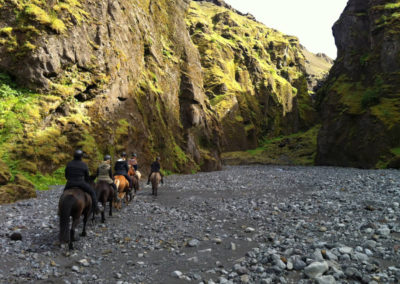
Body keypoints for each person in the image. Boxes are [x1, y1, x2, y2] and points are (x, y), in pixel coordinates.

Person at [64, 149, 101, 214]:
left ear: (74, 156)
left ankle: (60, 210)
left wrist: (70, 179)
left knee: (64, 193)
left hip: (70, 183)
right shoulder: (84, 165)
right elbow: (87, 177)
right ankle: (96, 208)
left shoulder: (69, 164)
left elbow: (66, 175)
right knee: (92, 192)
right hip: (81, 183)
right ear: (81, 156)